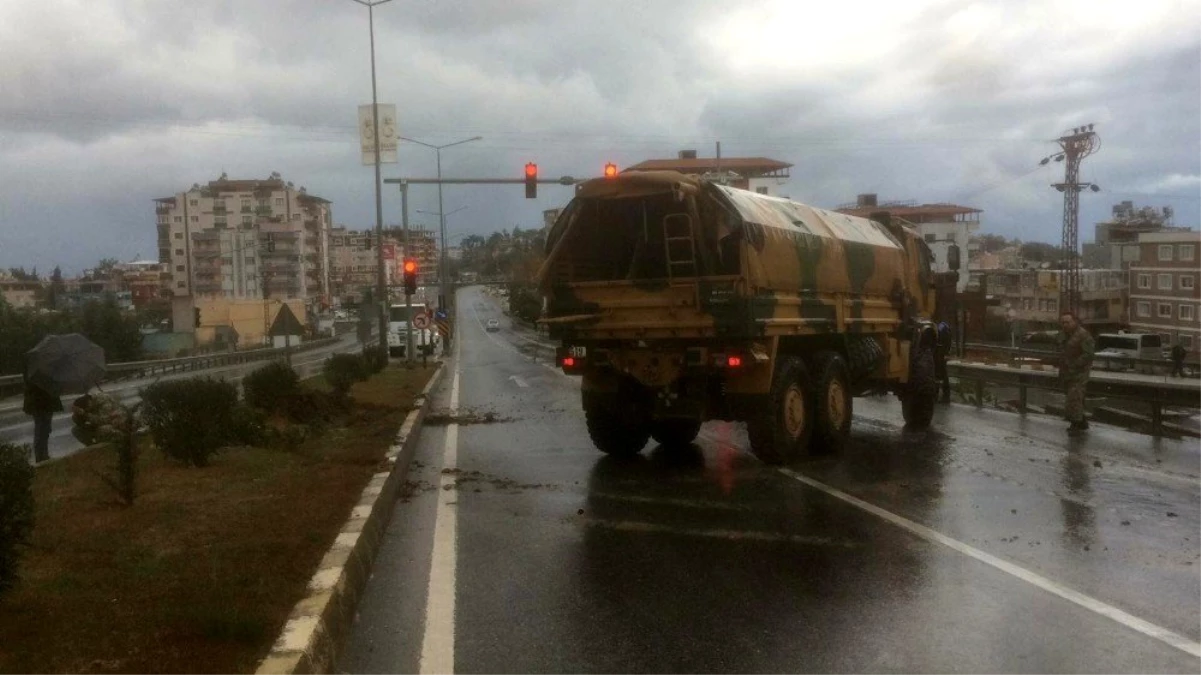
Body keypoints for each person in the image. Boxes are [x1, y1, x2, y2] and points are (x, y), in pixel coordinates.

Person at [1058, 312, 1095, 434]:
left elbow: (1088, 354)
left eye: (1068, 322)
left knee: (1074, 398)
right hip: (1067, 372)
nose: (1065, 324)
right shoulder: (1065, 334)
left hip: (1079, 373)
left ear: (1074, 322)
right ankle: (1082, 421)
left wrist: (1075, 364)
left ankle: (1076, 424)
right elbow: (1056, 341)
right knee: (1073, 397)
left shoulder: (1083, 335)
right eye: (1063, 322)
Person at [23, 372, 63, 464]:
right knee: (41, 429)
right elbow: (30, 385)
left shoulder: (42, 367)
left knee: (45, 429)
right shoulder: (34, 368)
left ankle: (43, 455)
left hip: (46, 401)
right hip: (39, 402)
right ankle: (40, 457)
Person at [935, 321, 952, 404]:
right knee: (942, 375)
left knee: (939, 375)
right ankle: (944, 396)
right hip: (942, 355)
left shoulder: (940, 327)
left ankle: (940, 395)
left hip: (939, 355)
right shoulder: (944, 326)